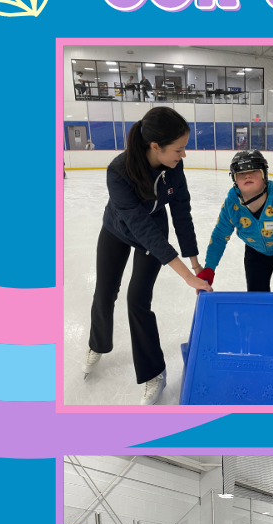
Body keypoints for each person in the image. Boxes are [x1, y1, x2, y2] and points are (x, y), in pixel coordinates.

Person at [82, 106, 210, 405]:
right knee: (104, 292)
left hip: (155, 230)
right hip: (118, 229)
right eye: (178, 149)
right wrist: (186, 276)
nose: (183, 155)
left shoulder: (174, 167)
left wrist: (195, 262)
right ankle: (97, 344)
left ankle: (154, 372)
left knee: (137, 301)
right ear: (155, 146)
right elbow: (139, 226)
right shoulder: (118, 171)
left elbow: (181, 212)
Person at [196, 150, 273, 292]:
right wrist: (209, 268)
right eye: (241, 173)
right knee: (257, 298)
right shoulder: (231, 206)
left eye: (254, 170)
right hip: (255, 254)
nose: (247, 175)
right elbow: (219, 237)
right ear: (235, 180)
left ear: (264, 175)